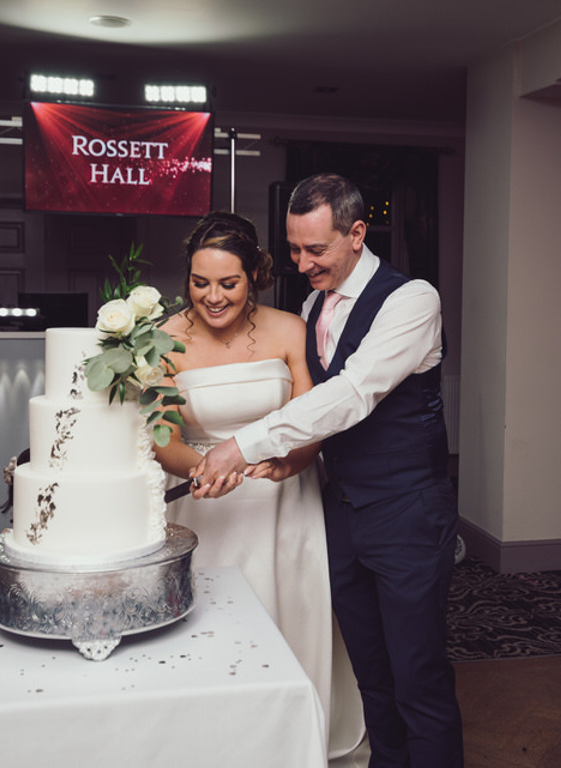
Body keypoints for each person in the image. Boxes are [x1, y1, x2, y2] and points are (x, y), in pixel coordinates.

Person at [193, 175, 464, 768]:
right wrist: (286, 459)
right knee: (372, 675)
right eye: (293, 248)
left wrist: (243, 444)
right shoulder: (313, 305)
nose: (301, 262)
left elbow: (352, 394)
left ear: (357, 233)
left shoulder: (412, 300)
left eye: (315, 249)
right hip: (339, 516)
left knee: (418, 679)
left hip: (407, 516)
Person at [155, 210, 368, 763]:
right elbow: (161, 436)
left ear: (255, 276)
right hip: (206, 504)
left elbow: (311, 422)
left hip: (282, 502)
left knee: (285, 620)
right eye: (200, 284)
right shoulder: (163, 340)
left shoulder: (289, 329)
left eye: (229, 283)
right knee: (208, 632)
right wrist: (203, 469)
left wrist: (291, 463)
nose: (214, 297)